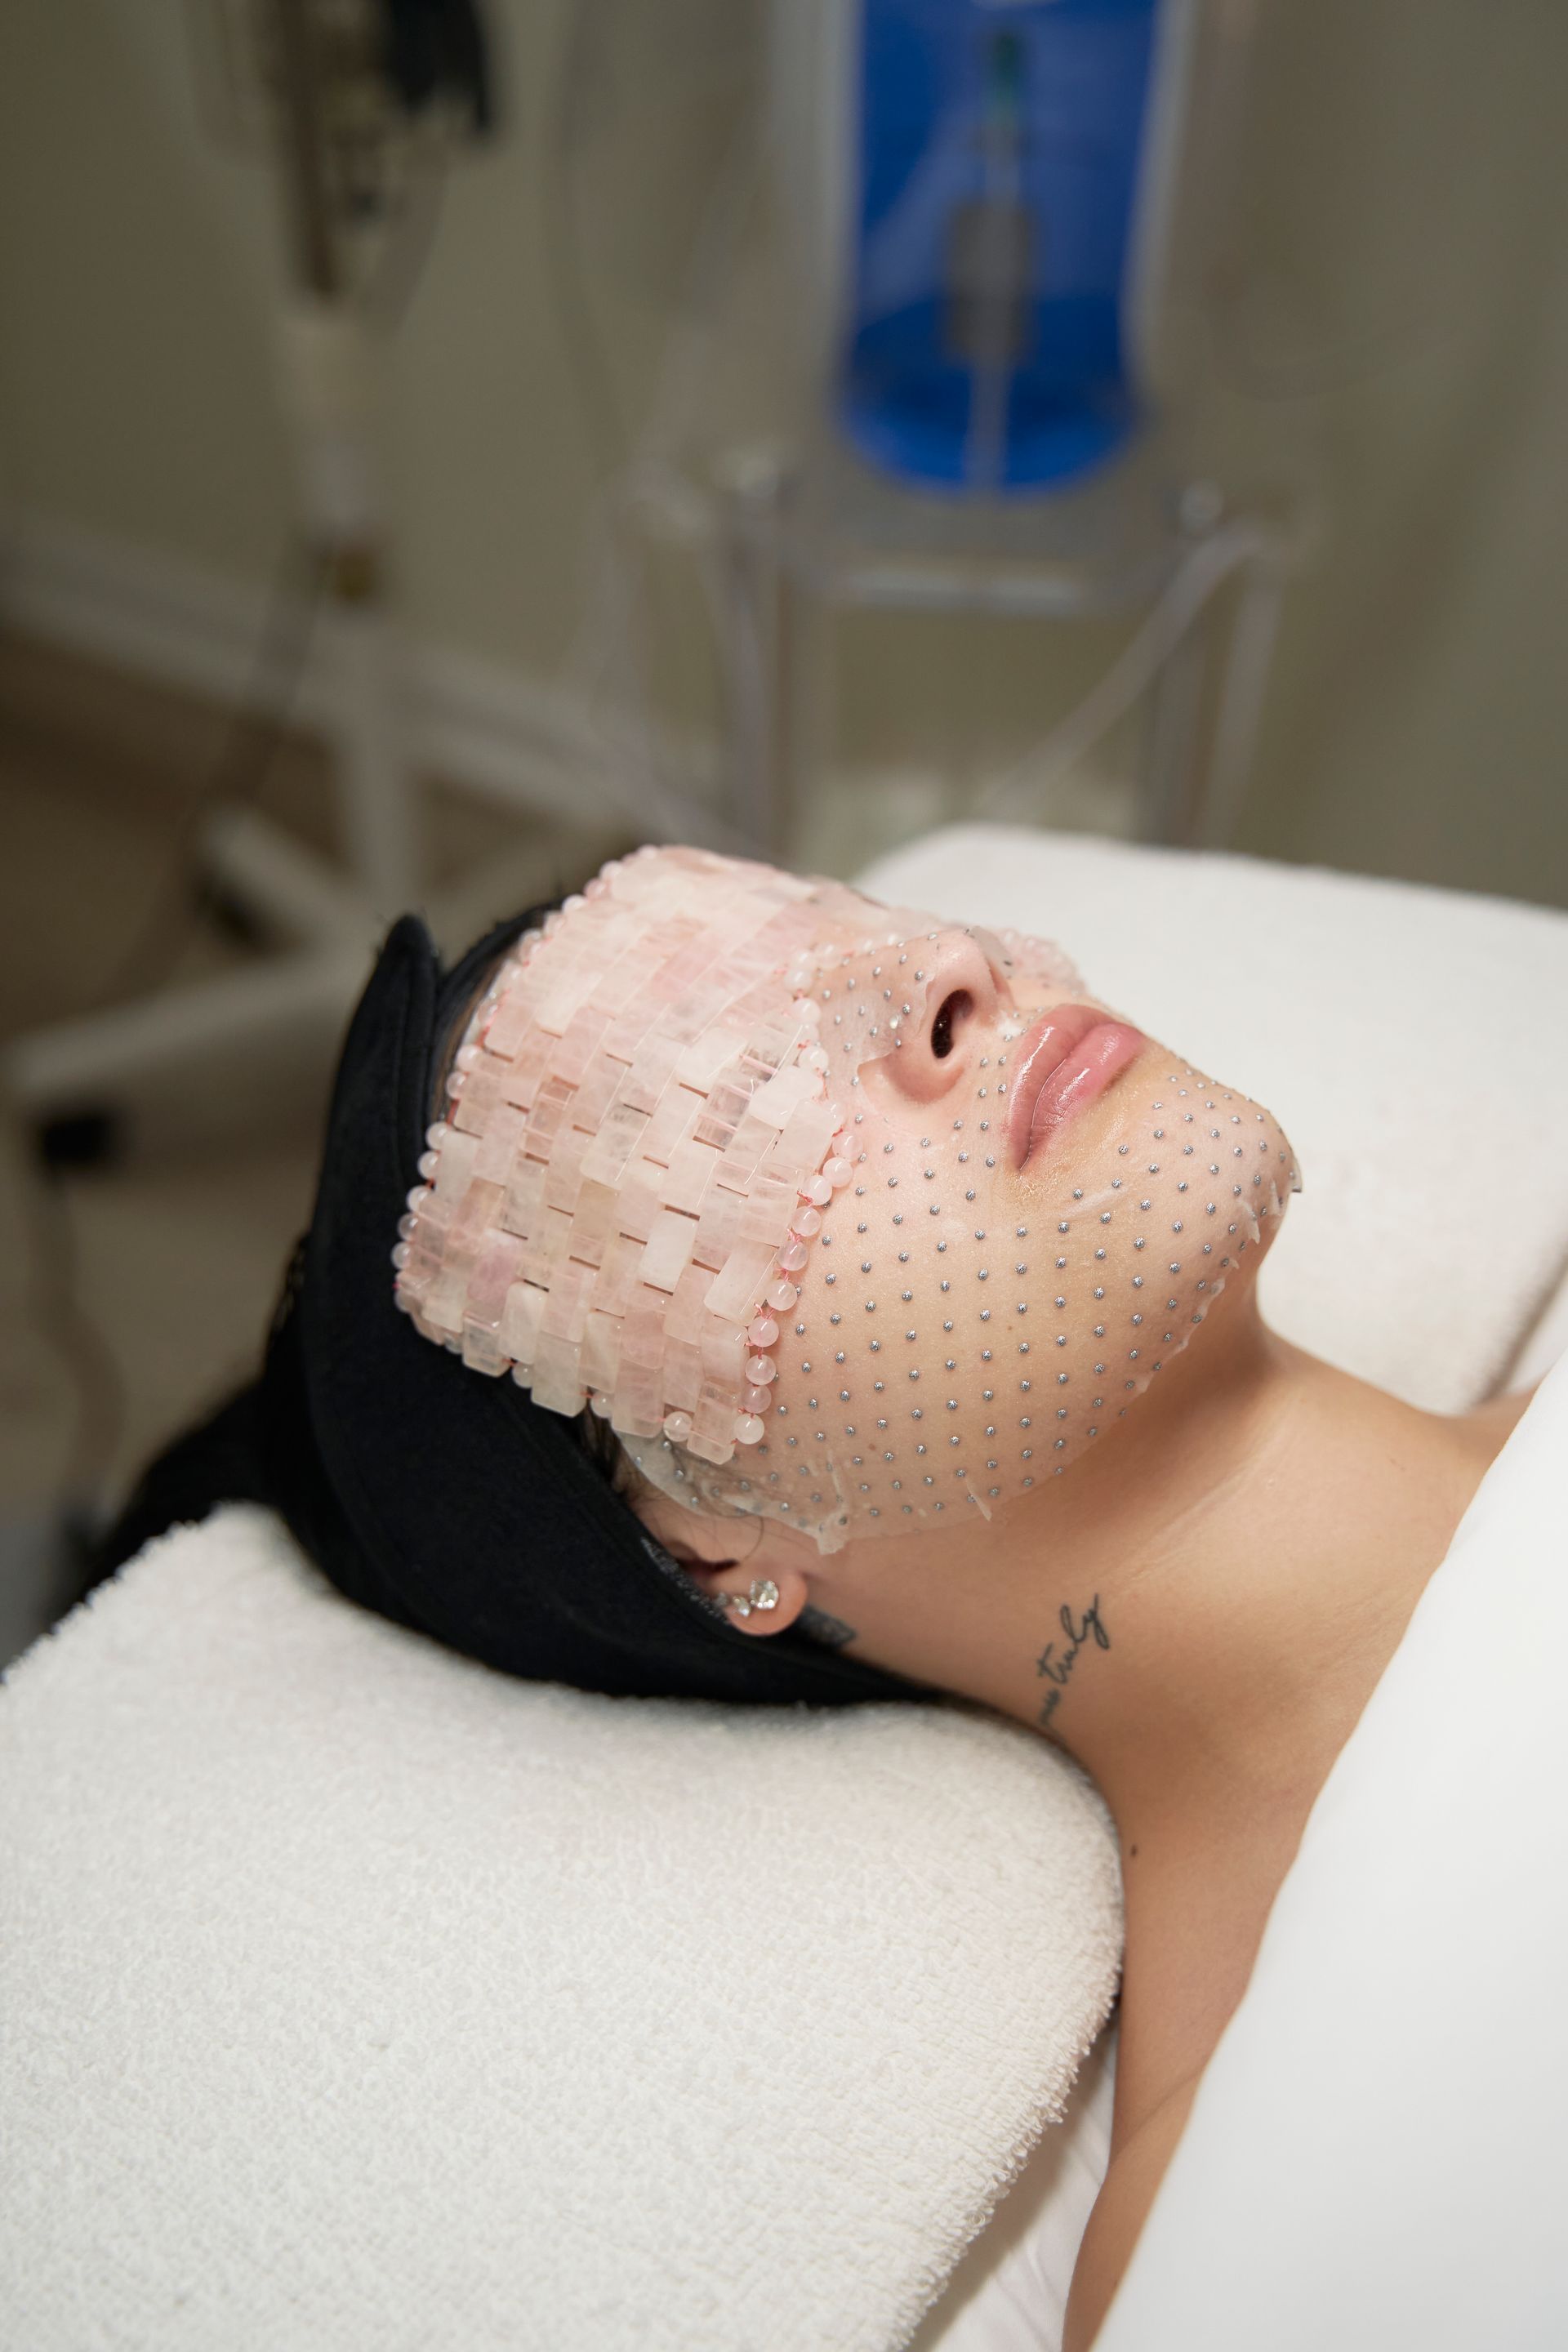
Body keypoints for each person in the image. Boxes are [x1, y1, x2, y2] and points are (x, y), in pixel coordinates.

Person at [96, 843, 1534, 2350]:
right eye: (712, 1117)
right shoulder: (1269, 2217)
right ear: (714, 1549)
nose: (942, 979)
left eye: (831, 928)